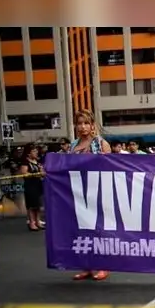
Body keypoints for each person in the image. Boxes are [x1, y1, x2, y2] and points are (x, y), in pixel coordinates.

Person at [67, 109, 112, 281]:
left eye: (86, 123)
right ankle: (86, 266)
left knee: (98, 230)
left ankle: (103, 265)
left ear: (92, 125)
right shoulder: (72, 146)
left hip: (98, 193)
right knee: (81, 231)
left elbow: (112, 169)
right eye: (79, 123)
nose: (83, 126)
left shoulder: (100, 144)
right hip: (77, 193)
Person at [18, 144, 45, 231]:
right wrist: (34, 175)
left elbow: (42, 172)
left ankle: (38, 221)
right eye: (33, 151)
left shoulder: (37, 161)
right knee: (31, 205)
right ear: (28, 153)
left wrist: (41, 171)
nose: (36, 152)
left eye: (36, 150)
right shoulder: (25, 162)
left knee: (38, 205)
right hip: (30, 185)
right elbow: (24, 173)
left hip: (38, 185)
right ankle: (32, 222)